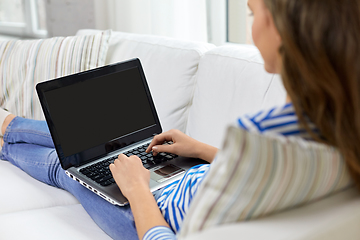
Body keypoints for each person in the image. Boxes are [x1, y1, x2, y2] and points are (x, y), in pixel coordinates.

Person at [1, 0, 360, 239]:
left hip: (146, 213)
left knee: (69, 166)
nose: (253, 24)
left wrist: (137, 187)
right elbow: (272, 173)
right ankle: (10, 124)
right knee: (92, 147)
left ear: (282, 29)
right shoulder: (335, 132)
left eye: (252, 12)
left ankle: (4, 139)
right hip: (187, 178)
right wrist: (200, 149)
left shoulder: (261, 135)